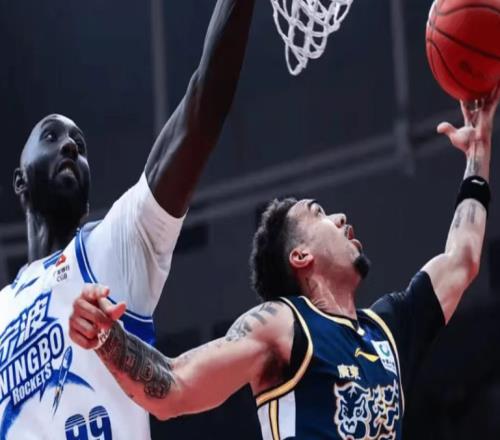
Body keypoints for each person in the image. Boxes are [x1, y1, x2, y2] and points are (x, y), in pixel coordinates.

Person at [69, 88, 499, 440]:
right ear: (300, 256)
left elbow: (461, 261)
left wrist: (477, 154)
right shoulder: (282, 325)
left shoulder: (388, 329)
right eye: (319, 213)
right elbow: (175, 384)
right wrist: (107, 337)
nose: (340, 218)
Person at [0, 1, 255, 439]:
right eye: (52, 137)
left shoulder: (113, 246)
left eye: (80, 145)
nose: (70, 147)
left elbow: (200, 112)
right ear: (20, 181)